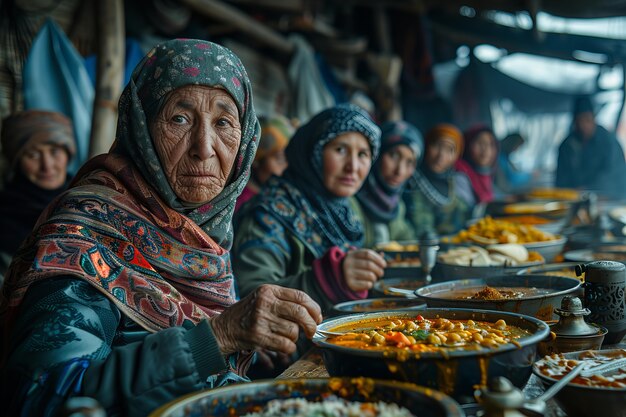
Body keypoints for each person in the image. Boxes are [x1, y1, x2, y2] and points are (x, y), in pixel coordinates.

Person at [0, 39, 322, 417]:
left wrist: (262, 344)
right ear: (141, 126)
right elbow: (44, 399)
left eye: (223, 122)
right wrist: (217, 337)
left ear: (245, 136)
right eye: (179, 119)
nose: (204, 147)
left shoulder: (205, 232)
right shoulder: (82, 235)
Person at [233, 104, 387, 315]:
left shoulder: (348, 209)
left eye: (363, 154)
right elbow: (249, 302)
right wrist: (328, 280)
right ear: (312, 152)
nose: (353, 166)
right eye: (340, 150)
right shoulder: (268, 213)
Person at [0, 110, 76, 278]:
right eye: (32, 155)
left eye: (55, 151)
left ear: (68, 154)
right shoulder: (4, 220)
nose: (47, 166)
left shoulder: (86, 202)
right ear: (16, 160)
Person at [354, 120, 423, 247]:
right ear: (377, 154)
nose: (400, 171)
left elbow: (408, 242)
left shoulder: (396, 206)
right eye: (394, 155)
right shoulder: (350, 200)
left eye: (410, 162)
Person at [404, 123, 473, 236]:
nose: (441, 155)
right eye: (436, 145)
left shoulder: (454, 182)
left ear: (457, 155)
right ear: (426, 146)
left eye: (449, 150)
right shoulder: (409, 178)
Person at [556, 96, 626, 199]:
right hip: (574, 201)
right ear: (575, 122)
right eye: (580, 120)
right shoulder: (566, 146)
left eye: (587, 119)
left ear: (594, 118)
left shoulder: (608, 142)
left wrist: (589, 190)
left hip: (609, 200)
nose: (584, 125)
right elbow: (561, 181)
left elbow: (616, 174)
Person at [234, 115, 293, 213]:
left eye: (289, 160)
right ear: (255, 158)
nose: (286, 168)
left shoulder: (278, 198)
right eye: (280, 159)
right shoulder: (239, 202)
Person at [455, 124, 499, 204]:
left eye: (491, 144)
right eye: (480, 143)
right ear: (467, 145)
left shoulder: (486, 175)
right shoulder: (459, 176)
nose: (486, 149)